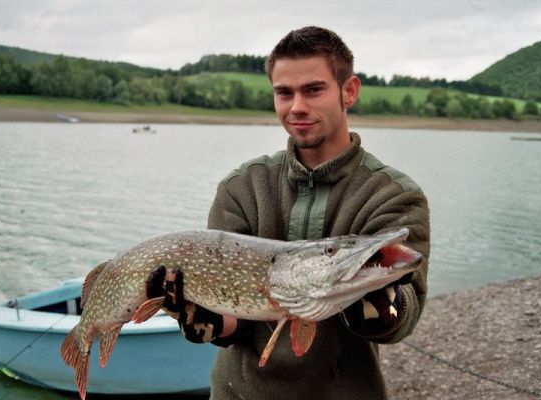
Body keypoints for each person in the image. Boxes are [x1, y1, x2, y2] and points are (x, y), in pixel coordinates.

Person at [147, 26, 430, 399]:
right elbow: (237, 326)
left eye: (313, 89)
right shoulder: (241, 188)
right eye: (284, 92)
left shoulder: (392, 195)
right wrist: (209, 321)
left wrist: (379, 297)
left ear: (349, 91)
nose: (296, 106)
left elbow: (401, 320)